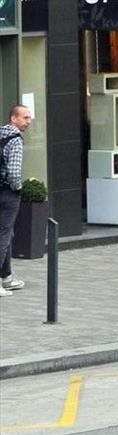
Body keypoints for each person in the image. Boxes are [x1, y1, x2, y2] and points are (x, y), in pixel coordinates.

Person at [0, 104, 32, 298]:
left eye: (29, 118)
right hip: (7, 193)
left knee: (7, 233)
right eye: (25, 118)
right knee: (3, 235)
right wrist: (18, 188)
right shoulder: (15, 141)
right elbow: (13, 173)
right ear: (14, 118)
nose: (29, 121)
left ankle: (7, 277)